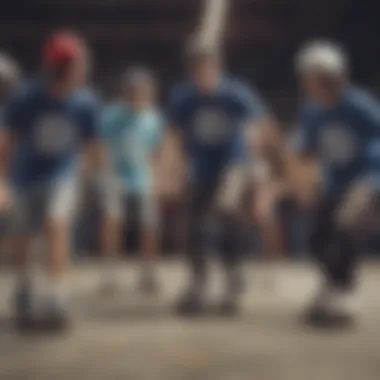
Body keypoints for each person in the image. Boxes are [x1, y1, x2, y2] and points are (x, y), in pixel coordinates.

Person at [165, 39, 278, 315]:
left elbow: (262, 123)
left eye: (206, 64)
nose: (200, 71)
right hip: (201, 168)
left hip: (234, 166)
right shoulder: (184, 97)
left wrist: (258, 152)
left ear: (216, 66)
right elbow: (174, 136)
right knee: (195, 224)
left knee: (227, 213)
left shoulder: (236, 93)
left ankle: (233, 275)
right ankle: (198, 282)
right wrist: (171, 171)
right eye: (195, 66)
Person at [0, 31, 102, 330]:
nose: (82, 70)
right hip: (25, 176)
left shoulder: (86, 102)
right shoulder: (26, 99)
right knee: (21, 236)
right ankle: (23, 286)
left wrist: (89, 177)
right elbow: (8, 142)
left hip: (62, 174)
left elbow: (92, 145)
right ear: (57, 68)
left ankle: (56, 294)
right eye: (75, 65)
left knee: (57, 223)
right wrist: (2, 182)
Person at [289, 40, 380, 326]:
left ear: (331, 76)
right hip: (334, 183)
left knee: (346, 226)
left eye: (312, 75)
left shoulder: (359, 105)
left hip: (367, 179)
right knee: (316, 237)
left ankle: (346, 290)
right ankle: (331, 284)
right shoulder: (313, 111)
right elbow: (305, 149)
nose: (308, 82)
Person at [99, 67, 164, 293]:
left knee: (149, 224)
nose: (138, 97)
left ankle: (148, 271)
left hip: (143, 176)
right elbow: (99, 145)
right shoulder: (111, 116)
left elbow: (158, 150)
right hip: (114, 175)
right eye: (134, 92)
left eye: (143, 92)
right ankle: (110, 271)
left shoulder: (153, 119)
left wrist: (161, 176)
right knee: (112, 221)